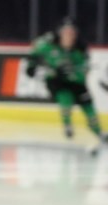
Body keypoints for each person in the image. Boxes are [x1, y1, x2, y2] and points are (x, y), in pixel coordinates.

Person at [27, 17, 105, 153]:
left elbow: (84, 70)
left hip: (76, 82)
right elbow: (34, 52)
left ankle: (98, 132)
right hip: (57, 82)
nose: (69, 36)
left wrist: (74, 74)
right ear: (60, 33)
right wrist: (32, 66)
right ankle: (67, 124)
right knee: (65, 97)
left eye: (72, 33)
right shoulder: (48, 43)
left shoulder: (81, 48)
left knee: (88, 106)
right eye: (66, 33)